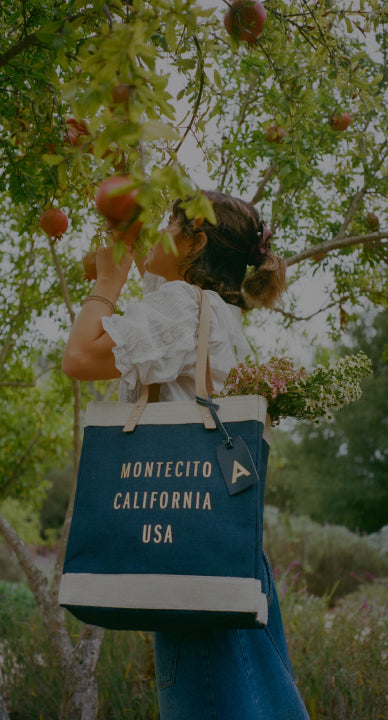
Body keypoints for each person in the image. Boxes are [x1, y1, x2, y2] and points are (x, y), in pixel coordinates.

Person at [62, 190, 310, 720]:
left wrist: (109, 281)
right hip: (216, 543)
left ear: (196, 242)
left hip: (184, 553)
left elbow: (80, 356)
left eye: (171, 223)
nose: (157, 229)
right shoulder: (217, 313)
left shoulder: (180, 306)